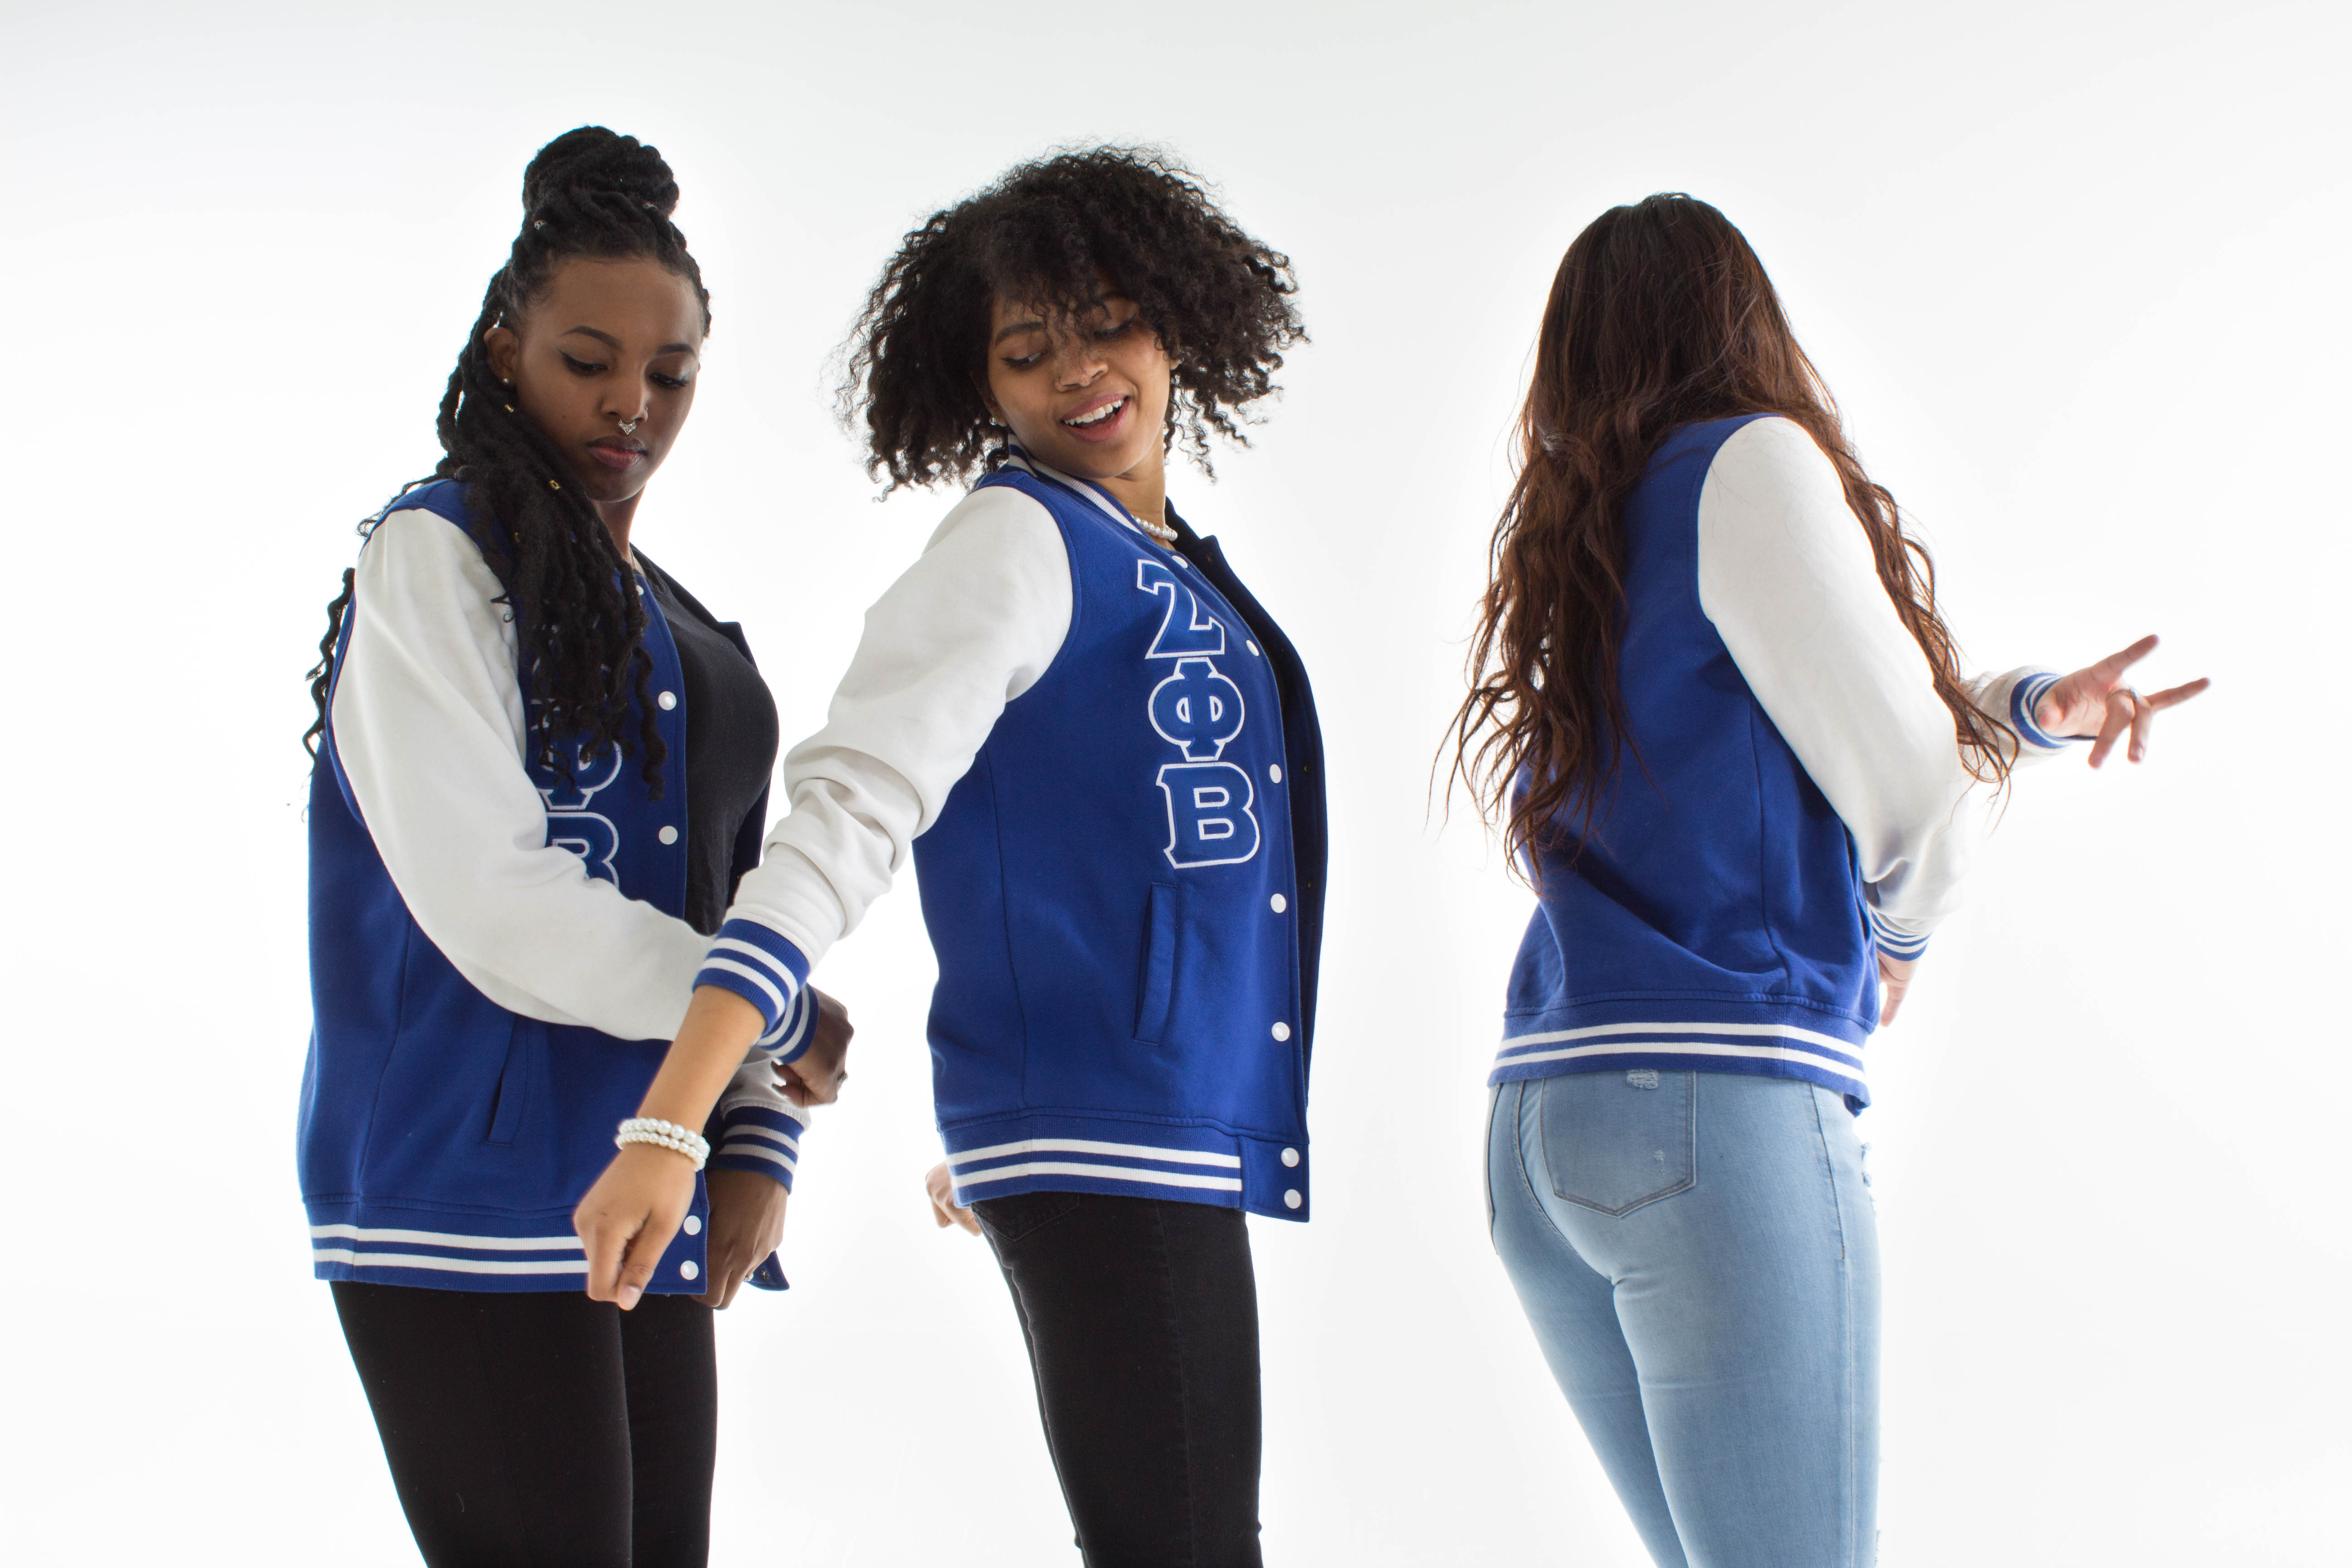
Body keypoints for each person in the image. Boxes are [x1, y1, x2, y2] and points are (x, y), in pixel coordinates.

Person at [573, 147, 1319, 1567]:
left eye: (1108, 323)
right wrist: (675, 1123)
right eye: (1026, 352)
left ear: (1177, 321)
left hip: (1133, 1129)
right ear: (980, 384)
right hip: (1110, 1137)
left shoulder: (1144, 551)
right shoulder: (1016, 542)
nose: (1077, 372)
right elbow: (849, 815)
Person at [1447, 193, 2206, 1568]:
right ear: (1741, 321)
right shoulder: (1748, 460)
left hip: (1546, 1121)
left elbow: (1793, 732)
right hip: (1709, 1110)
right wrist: (1896, 939)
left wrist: (2032, 711)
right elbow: (1911, 790)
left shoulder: (1591, 530)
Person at [299, 126, 850, 1568]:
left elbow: (725, 892)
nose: (630, 404)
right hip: (460, 1183)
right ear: (505, 352)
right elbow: (495, 900)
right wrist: (770, 1019)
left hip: (644, 1172)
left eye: (670, 373)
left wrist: (757, 1129)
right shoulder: (435, 558)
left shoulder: (684, 627)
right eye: (588, 361)